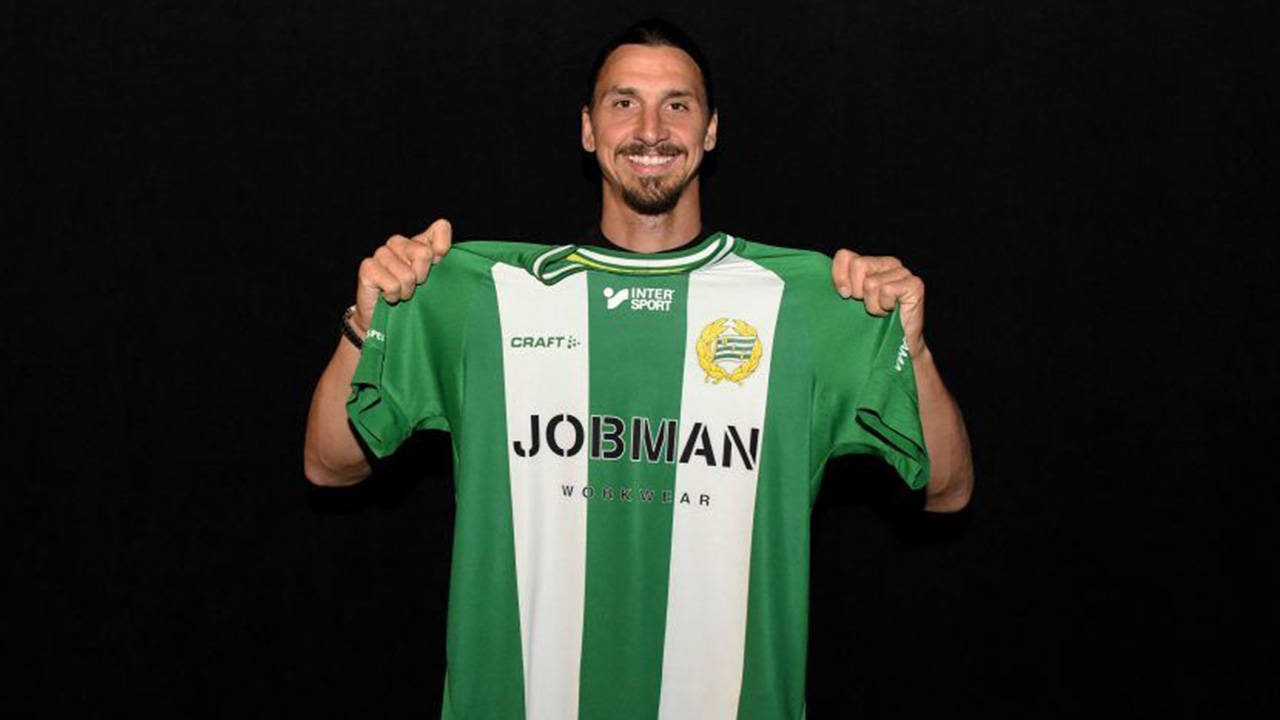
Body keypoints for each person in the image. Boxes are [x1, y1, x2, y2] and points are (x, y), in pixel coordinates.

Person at [304, 17, 973, 719]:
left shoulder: (802, 305)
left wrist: (914, 351)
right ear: (588, 129)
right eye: (624, 102)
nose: (651, 130)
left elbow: (949, 489)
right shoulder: (488, 297)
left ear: (710, 131)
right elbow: (329, 464)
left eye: (677, 105)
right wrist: (366, 325)